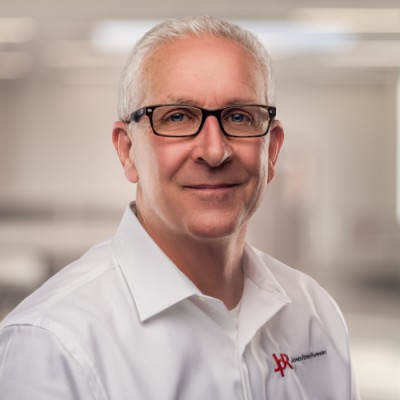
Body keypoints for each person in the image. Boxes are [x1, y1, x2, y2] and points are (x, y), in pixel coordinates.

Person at [0, 16, 359, 399]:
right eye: (177, 117)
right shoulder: (53, 345)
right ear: (127, 151)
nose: (214, 151)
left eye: (239, 117)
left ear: (271, 150)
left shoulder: (314, 315)